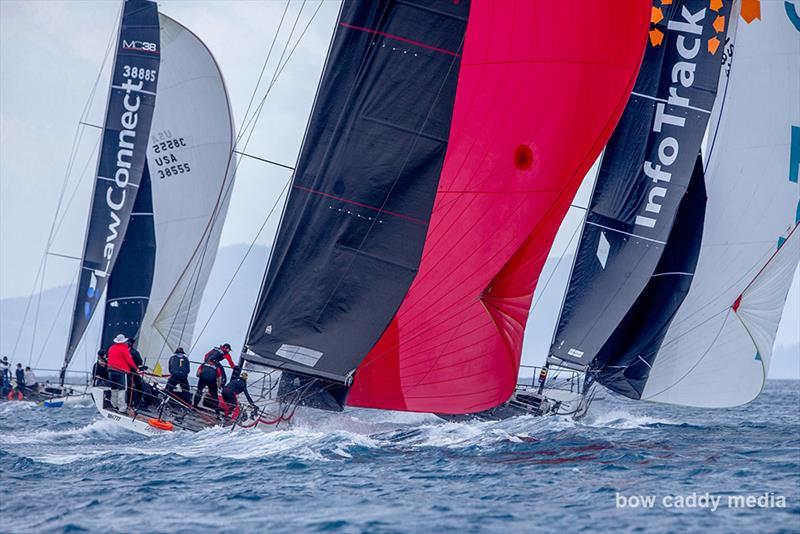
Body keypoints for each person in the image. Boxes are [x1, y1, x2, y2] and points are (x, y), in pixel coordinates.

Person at [107, 334, 138, 412]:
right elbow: (129, 360)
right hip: (121, 371)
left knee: (114, 389)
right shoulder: (124, 349)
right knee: (122, 389)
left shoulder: (111, 348)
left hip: (111, 371)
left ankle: (113, 405)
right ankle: (122, 408)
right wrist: (136, 368)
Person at [127, 338, 146, 409]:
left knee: (133, 388)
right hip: (132, 373)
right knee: (139, 388)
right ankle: (135, 403)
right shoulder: (134, 352)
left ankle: (133, 403)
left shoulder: (128, 351)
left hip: (128, 372)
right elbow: (140, 362)